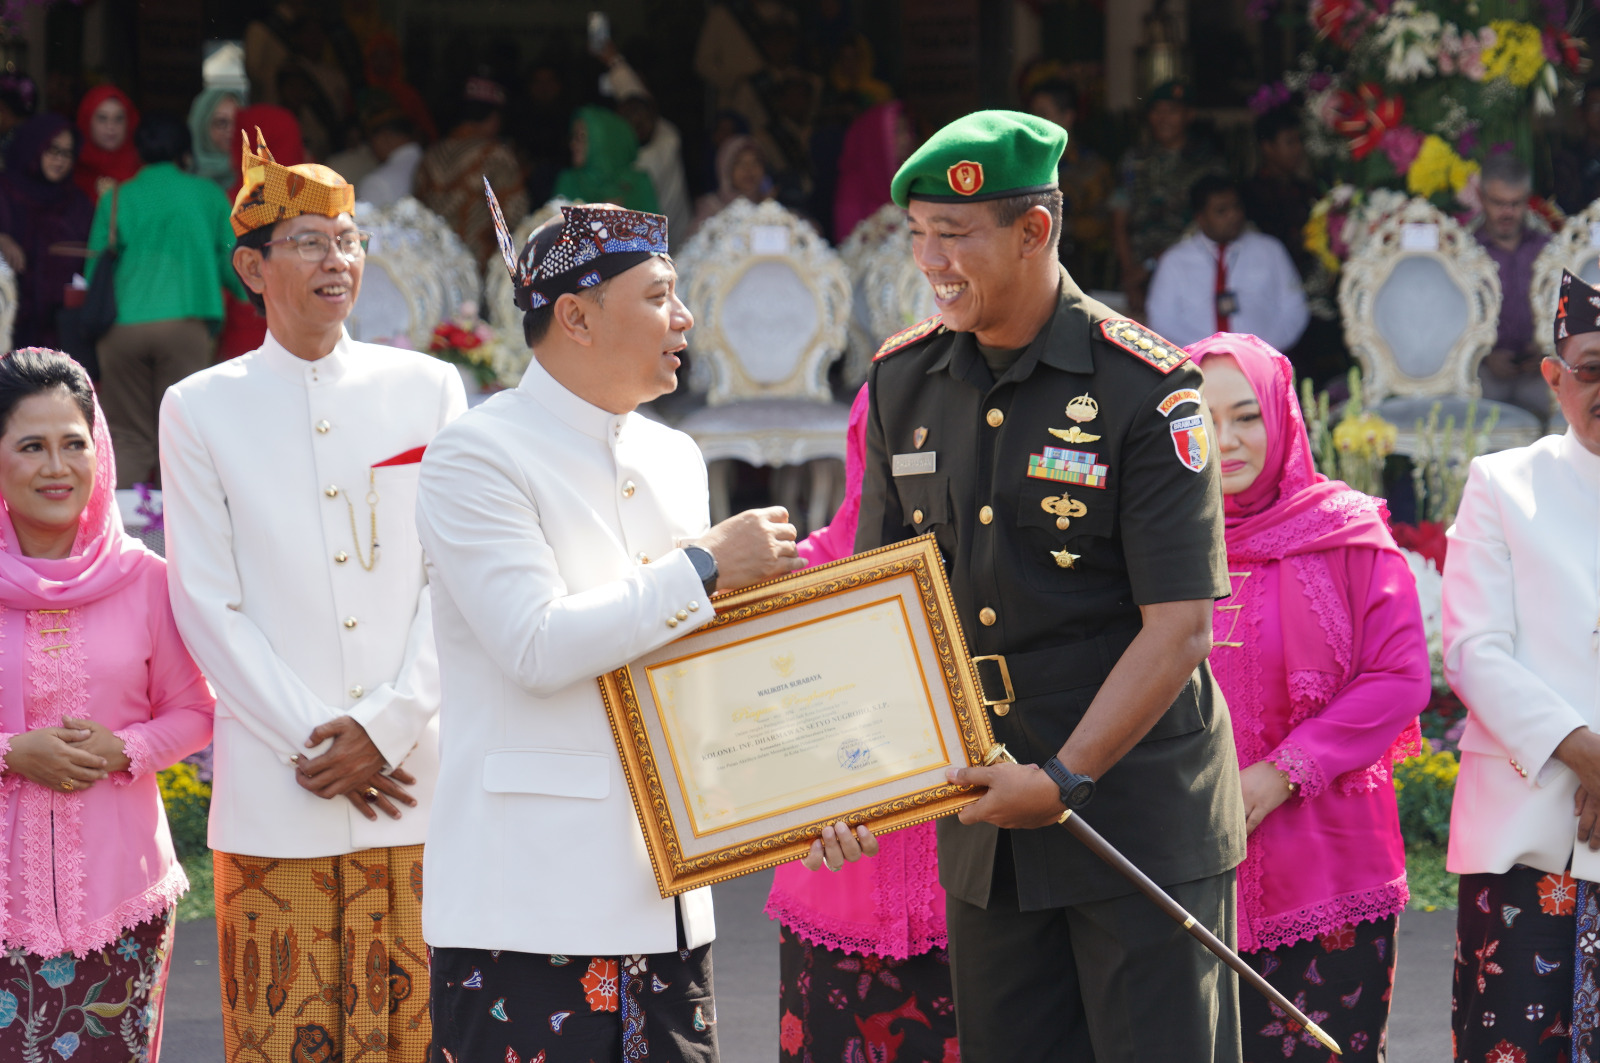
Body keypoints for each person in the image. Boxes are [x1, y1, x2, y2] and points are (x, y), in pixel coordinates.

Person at [418, 196, 873, 1062]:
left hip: (668, 902)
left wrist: (816, 784)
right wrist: (702, 567)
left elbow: (694, 673)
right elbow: (537, 646)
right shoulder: (477, 453)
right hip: (525, 906)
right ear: (577, 317)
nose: (686, 317)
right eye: (660, 295)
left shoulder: (674, 455)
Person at [859, 110, 1244, 1061]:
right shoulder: (904, 382)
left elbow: (1179, 627)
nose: (931, 259)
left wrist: (1064, 779)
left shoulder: (1147, 389)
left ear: (1035, 231)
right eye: (918, 234)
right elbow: (876, 605)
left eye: (955, 233)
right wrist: (835, 776)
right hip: (991, 818)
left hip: (1133, 814)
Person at [159, 130, 465, 1063]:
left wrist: (390, 723)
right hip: (277, 789)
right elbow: (208, 603)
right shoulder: (200, 405)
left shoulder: (428, 387)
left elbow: (453, 579)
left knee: (418, 1036)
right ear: (252, 265)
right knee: (280, 1034)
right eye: (308, 241)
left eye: (348, 238)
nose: (337, 258)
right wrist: (318, 738)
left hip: (414, 779)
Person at [1188, 331, 1430, 1063]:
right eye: (1203, 419)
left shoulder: (1347, 533)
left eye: (1245, 415)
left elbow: (1399, 675)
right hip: (1189, 871)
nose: (1225, 440)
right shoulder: (1153, 541)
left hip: (1328, 873)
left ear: (1281, 415)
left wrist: (1286, 768)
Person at [0, 347, 214, 1063]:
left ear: (100, 455)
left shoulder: (147, 581)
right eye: (31, 445)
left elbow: (195, 710)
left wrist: (127, 747)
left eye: (73, 443)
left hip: (121, 907)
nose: (56, 466)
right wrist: (11, 751)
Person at [764, 382, 958, 1063]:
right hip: (836, 899)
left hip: (973, 905)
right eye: (896, 445)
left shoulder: (1002, 582)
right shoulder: (795, 579)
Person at [1445, 268, 1600, 1062]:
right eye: (1592, 366)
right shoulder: (1505, 482)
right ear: (1554, 375)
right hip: (1529, 831)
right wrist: (1584, 752)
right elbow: (1473, 649)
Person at [87, 114, 245, 488]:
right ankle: (179, 537)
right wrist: (256, 300)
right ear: (185, 153)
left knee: (128, 437)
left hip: (121, 329)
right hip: (185, 326)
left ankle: (120, 534)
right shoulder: (208, 195)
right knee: (183, 437)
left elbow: (94, 271)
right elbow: (232, 260)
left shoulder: (116, 197)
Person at [1147, 175, 1308, 352]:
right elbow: (1161, 320)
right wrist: (1203, 356)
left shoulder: (1270, 250)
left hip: (1263, 364)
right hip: (1195, 368)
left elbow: (1295, 309)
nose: (1234, 215)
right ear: (1200, 218)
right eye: (1221, 211)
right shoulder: (1174, 261)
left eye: (1237, 207)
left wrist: (1264, 352)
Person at [1110, 80, 1225, 317]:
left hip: (1190, 272)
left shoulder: (1208, 165)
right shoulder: (1134, 161)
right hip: (1136, 275)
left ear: (1189, 115)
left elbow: (1209, 226)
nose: (1163, 118)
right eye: (1156, 111)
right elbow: (1119, 222)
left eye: (1172, 111)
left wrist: (1151, 265)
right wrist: (1131, 277)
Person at [0, 115, 94, 351]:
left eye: (67, 153)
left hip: (61, 332)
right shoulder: (5, 192)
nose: (60, 160)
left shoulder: (77, 203)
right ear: (34, 146)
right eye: (52, 150)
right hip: (9, 326)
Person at [414, 75, 527, 268]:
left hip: (434, 265)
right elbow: (515, 216)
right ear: (493, 118)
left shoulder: (431, 155)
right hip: (477, 266)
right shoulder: (496, 155)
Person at [1475, 153, 1553, 422]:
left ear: (1527, 200)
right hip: (1482, 371)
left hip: (1539, 369)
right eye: (1498, 203)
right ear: (1482, 198)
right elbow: (1445, 320)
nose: (1507, 212)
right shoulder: (1465, 251)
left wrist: (1546, 346)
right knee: (1466, 414)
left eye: (1515, 203)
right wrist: (1484, 356)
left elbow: (1569, 309)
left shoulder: (1549, 249)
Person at [1026, 78, 1114, 285]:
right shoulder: (1024, 166)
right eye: (1032, 115)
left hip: (1079, 275)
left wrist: (1053, 227)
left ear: (1067, 117)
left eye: (1043, 114)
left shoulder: (1092, 168)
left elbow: (1102, 225)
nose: (1034, 123)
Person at [1242, 104, 1318, 280]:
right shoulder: (1249, 194)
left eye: (1300, 141)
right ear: (1267, 147)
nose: (1298, 149)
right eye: (1290, 142)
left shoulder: (1307, 189)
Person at [552, 105, 660, 214]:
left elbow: (654, 229)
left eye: (581, 137)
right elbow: (554, 227)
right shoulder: (569, 181)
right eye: (573, 136)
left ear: (603, 141)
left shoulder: (638, 184)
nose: (573, 144)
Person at [832, 100, 913, 244]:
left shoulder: (907, 180)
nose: (907, 138)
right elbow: (851, 248)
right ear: (877, 136)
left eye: (906, 130)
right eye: (897, 131)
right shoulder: (853, 188)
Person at [690, 134, 773, 236]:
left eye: (755, 162)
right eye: (740, 163)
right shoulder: (710, 211)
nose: (749, 170)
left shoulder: (769, 208)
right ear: (725, 169)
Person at [73, 85, 141, 203]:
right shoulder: (69, 169)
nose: (111, 127)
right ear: (87, 122)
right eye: (102, 118)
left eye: (119, 119)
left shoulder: (143, 172)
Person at [354, 107, 422, 209]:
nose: (371, 150)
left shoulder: (376, 182)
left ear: (384, 137)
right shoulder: (431, 161)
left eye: (371, 142)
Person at [187, 86, 245, 193]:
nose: (231, 129)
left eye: (238, 121)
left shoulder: (256, 176)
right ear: (202, 125)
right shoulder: (183, 180)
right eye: (221, 122)